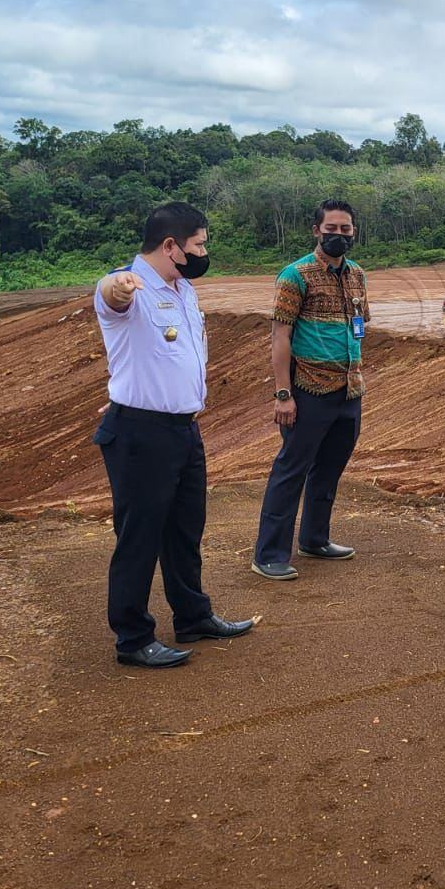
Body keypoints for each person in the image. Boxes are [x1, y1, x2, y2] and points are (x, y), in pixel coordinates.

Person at [92, 202, 255, 668]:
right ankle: (132, 637)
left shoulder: (182, 288)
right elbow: (110, 295)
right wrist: (117, 284)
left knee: (185, 530)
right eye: (199, 243)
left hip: (184, 430)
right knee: (140, 536)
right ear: (171, 245)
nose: (204, 251)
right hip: (140, 433)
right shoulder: (131, 286)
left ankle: (192, 615)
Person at [252, 200, 370, 580]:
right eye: (331, 229)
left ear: (354, 232)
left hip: (349, 390)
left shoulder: (357, 275)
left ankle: (315, 539)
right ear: (316, 231)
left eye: (345, 229)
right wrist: (283, 394)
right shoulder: (295, 275)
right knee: (291, 470)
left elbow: (360, 324)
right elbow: (280, 334)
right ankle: (269, 554)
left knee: (329, 469)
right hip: (308, 390)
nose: (338, 235)